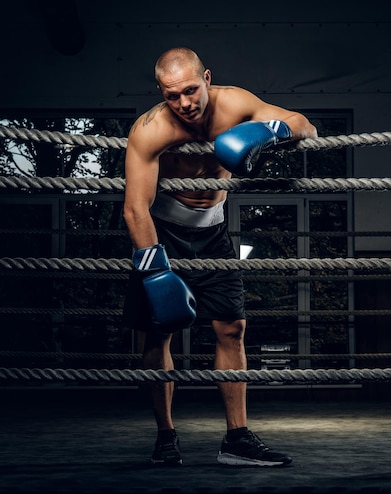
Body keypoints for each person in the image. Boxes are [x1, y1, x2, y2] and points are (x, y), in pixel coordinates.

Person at [122, 46, 318, 467]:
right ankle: (166, 438)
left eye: (191, 90)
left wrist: (265, 133)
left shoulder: (235, 103)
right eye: (172, 95)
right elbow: (135, 208)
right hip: (162, 233)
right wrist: (156, 273)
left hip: (213, 231)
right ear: (160, 91)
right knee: (158, 335)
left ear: (207, 78)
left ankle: (237, 439)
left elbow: (306, 127)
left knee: (232, 328)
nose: (184, 103)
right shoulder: (149, 130)